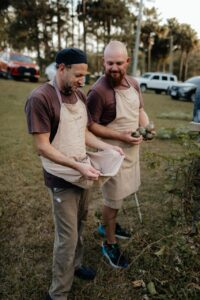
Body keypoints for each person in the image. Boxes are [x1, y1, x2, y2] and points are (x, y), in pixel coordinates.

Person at [25, 48, 124, 300]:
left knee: (80, 225)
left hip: (84, 172)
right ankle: (58, 293)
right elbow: (42, 146)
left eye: (85, 76)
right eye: (78, 75)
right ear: (61, 68)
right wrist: (77, 166)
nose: (83, 81)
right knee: (67, 238)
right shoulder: (40, 98)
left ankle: (76, 266)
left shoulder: (79, 95)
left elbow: (84, 132)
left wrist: (107, 147)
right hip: (61, 177)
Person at [87, 41, 151, 269]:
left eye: (118, 63)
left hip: (131, 153)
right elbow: (91, 126)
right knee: (112, 200)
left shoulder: (133, 84)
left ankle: (108, 225)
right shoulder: (98, 91)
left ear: (127, 62)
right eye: (109, 63)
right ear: (103, 62)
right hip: (111, 154)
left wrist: (148, 126)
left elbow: (140, 111)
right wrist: (121, 136)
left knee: (121, 195)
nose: (113, 68)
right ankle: (109, 242)